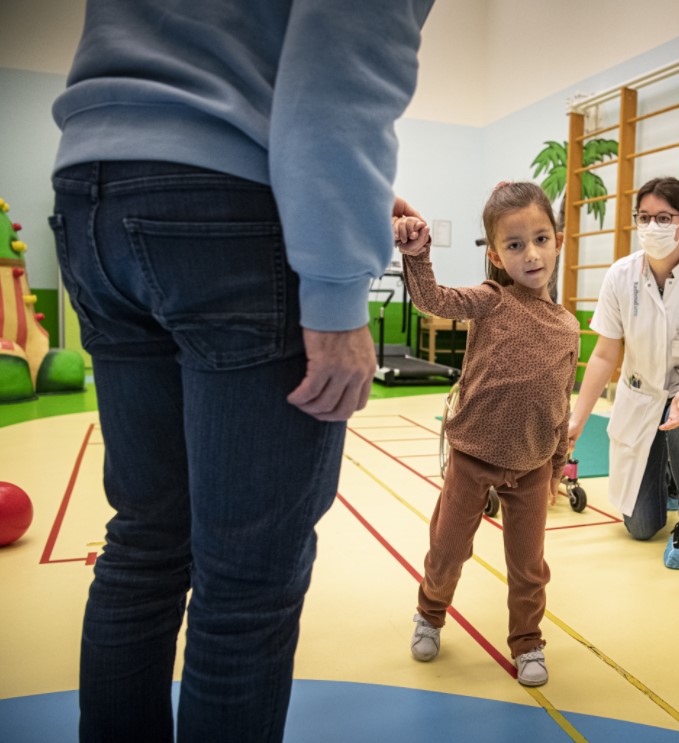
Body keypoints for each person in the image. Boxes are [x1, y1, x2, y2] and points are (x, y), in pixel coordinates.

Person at [49, 2, 433, 740]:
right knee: (246, 581)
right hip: (225, 210)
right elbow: (343, 67)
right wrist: (334, 293)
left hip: (91, 190)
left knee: (145, 543)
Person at [395, 182, 579, 688]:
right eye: (515, 245)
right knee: (448, 550)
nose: (532, 254)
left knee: (528, 568)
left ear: (558, 242)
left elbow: (560, 405)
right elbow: (432, 298)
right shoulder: (491, 300)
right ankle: (430, 613)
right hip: (473, 454)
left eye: (541, 239)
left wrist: (557, 465)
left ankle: (528, 642)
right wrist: (418, 254)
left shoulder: (567, 328)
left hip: (532, 462)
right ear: (497, 256)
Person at [568, 176, 679, 570]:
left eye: (664, 217)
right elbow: (604, 355)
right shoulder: (620, 275)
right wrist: (578, 417)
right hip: (642, 397)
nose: (652, 226)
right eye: (644, 217)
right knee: (642, 527)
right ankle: (668, 475)